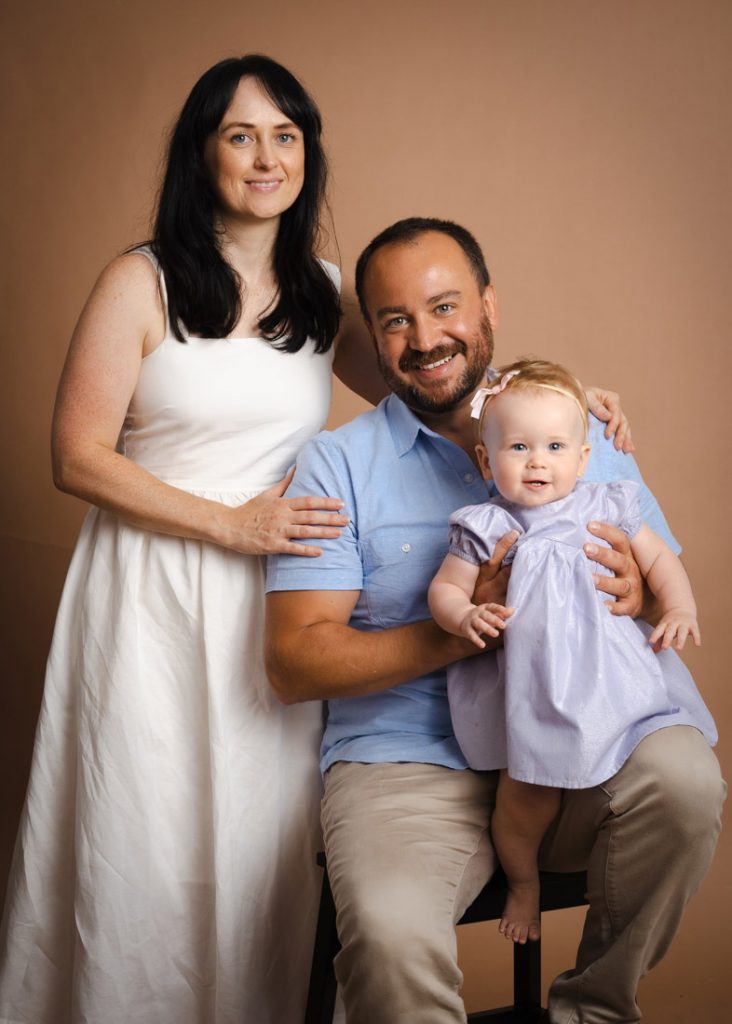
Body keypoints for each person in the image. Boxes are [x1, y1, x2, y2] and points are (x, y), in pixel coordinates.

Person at [0, 54, 389, 1024]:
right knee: (144, 832)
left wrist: (543, 400)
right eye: (241, 135)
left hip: (276, 607)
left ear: (309, 156)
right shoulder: (141, 280)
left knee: (261, 846)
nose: (268, 157)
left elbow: (427, 391)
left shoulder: (324, 291)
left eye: (287, 136)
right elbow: (74, 455)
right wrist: (232, 521)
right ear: (201, 154)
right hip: (149, 590)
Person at [265, 217, 725, 1024]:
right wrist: (455, 629)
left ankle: (592, 1009)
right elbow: (295, 663)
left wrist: (640, 595)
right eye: (395, 319)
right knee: (388, 933)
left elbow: (650, 580)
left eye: (445, 307)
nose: (425, 337)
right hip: (408, 760)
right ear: (370, 336)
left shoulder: (571, 426)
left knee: (686, 782)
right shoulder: (336, 465)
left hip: (577, 734)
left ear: (489, 307)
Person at [428, 356, 717, 945]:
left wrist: (680, 607)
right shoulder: (486, 524)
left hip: (609, 678)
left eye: (557, 446)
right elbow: (445, 588)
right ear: (486, 459)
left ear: (583, 459)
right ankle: (524, 882)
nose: (538, 461)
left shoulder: (606, 504)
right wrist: (465, 614)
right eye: (518, 448)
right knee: (523, 803)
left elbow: (660, 561)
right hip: (535, 690)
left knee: (645, 774)